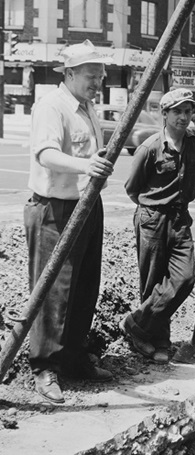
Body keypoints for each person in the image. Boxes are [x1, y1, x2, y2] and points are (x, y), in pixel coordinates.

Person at [25, 40, 116, 404]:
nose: (98, 82)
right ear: (70, 73)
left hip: (87, 205)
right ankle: (44, 367)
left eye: (101, 76)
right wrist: (85, 166)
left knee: (83, 287)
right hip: (54, 209)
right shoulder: (51, 106)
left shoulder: (87, 108)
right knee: (53, 292)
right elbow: (46, 153)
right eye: (92, 76)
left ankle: (74, 358)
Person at [121, 88, 195, 363]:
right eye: (177, 111)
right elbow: (132, 189)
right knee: (154, 282)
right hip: (153, 219)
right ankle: (158, 341)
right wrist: (152, 207)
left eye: (188, 111)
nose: (183, 117)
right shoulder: (150, 147)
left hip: (180, 219)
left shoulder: (194, 139)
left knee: (184, 279)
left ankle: (135, 324)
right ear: (165, 114)